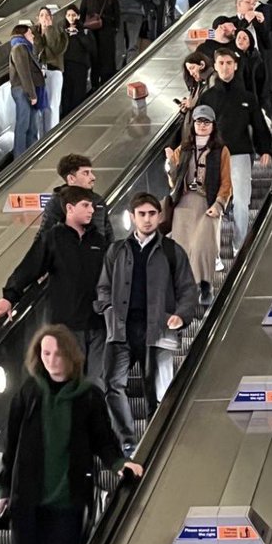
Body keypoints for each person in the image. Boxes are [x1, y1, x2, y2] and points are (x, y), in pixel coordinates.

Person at [0, 324, 143, 544]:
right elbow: (11, 445)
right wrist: (3, 490)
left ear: (71, 356)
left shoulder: (87, 395)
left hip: (68, 503)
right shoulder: (29, 393)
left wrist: (120, 464)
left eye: (57, 354)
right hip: (29, 502)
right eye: (45, 353)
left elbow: (104, 440)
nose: (51, 360)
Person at [95, 192, 198, 457]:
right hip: (121, 330)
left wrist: (181, 315)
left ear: (159, 216)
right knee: (112, 384)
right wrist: (107, 309)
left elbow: (188, 289)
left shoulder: (172, 251)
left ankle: (155, 440)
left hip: (159, 331)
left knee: (158, 390)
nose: (147, 219)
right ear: (132, 217)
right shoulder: (116, 251)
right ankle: (128, 440)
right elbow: (103, 288)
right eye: (141, 214)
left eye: (152, 213)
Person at [0, 185, 109, 383]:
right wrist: (9, 297)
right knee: (71, 382)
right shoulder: (53, 239)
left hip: (99, 324)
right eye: (86, 205)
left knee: (97, 383)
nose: (91, 210)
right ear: (70, 209)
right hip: (68, 327)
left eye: (92, 206)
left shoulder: (99, 241)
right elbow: (29, 268)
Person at [199, 47, 272, 253]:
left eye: (229, 63)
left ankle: (239, 245)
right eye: (221, 63)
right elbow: (199, 127)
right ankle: (213, 250)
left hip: (239, 154)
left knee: (241, 201)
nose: (225, 67)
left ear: (236, 66)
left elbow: (258, 124)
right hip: (213, 155)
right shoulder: (208, 97)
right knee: (213, 200)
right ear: (215, 66)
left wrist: (265, 148)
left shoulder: (247, 97)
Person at [164, 106, 232, 305]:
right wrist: (171, 166)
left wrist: (219, 204)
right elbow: (173, 182)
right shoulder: (183, 149)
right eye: (199, 122)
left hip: (208, 202)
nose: (202, 126)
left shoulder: (221, 151)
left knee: (204, 246)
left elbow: (226, 182)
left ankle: (205, 285)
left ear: (213, 126)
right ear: (193, 125)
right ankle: (187, 289)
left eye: (206, 122)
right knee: (183, 248)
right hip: (184, 203)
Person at [34, 153, 113, 247]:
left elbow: (109, 236)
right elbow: (44, 238)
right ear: (71, 179)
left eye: (91, 172)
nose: (93, 177)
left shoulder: (98, 201)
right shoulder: (57, 203)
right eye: (86, 173)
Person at [8, 23, 44, 155]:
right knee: (23, 124)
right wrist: (32, 94)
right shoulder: (19, 48)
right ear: (23, 34)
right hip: (24, 90)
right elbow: (24, 73)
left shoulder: (26, 47)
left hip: (28, 90)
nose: (32, 35)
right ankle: (19, 157)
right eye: (30, 33)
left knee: (32, 124)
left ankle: (31, 153)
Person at [79, 0, 120, 86]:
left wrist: (115, 28)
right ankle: (95, 84)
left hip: (107, 31)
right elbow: (82, 13)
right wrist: (83, 28)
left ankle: (107, 81)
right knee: (94, 56)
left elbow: (117, 14)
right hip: (92, 31)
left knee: (107, 57)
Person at [33, 7, 67, 134]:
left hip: (54, 71)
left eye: (47, 15)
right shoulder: (34, 34)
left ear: (51, 18)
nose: (45, 18)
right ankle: (42, 136)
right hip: (39, 73)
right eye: (42, 15)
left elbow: (54, 49)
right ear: (38, 18)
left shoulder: (57, 32)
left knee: (52, 105)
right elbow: (36, 52)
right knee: (42, 106)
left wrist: (49, 29)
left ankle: (52, 134)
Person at [60, 4, 95, 116]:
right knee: (66, 95)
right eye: (69, 15)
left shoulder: (84, 31)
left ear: (78, 16)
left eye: (74, 15)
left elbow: (91, 48)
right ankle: (65, 118)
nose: (71, 17)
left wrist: (78, 33)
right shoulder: (62, 32)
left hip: (80, 66)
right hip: (66, 67)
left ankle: (77, 117)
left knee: (78, 95)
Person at [176, 51, 217, 143]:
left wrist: (193, 106)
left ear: (202, 65)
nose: (191, 73)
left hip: (206, 139)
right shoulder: (198, 84)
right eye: (189, 70)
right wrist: (185, 110)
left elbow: (213, 107)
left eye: (192, 68)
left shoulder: (213, 80)